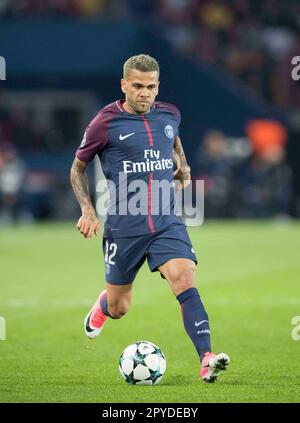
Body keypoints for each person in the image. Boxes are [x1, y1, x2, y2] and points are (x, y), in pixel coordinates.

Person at [70, 54, 229, 383]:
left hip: (166, 220)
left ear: (158, 87)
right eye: (138, 86)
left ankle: (206, 357)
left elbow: (173, 140)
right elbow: (78, 166)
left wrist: (183, 166)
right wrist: (87, 209)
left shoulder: (170, 114)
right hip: (125, 225)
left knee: (185, 277)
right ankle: (104, 305)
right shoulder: (104, 122)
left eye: (151, 86)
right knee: (120, 307)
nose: (145, 92)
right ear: (124, 85)